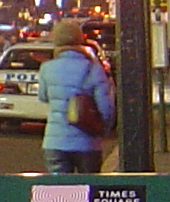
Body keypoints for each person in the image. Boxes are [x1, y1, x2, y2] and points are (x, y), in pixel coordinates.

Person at [35, 16, 114, 175]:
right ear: (80, 39)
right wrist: (102, 130)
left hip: (54, 141)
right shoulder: (93, 68)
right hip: (87, 143)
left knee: (61, 193)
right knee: (88, 188)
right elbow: (106, 107)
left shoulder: (47, 68)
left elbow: (43, 96)